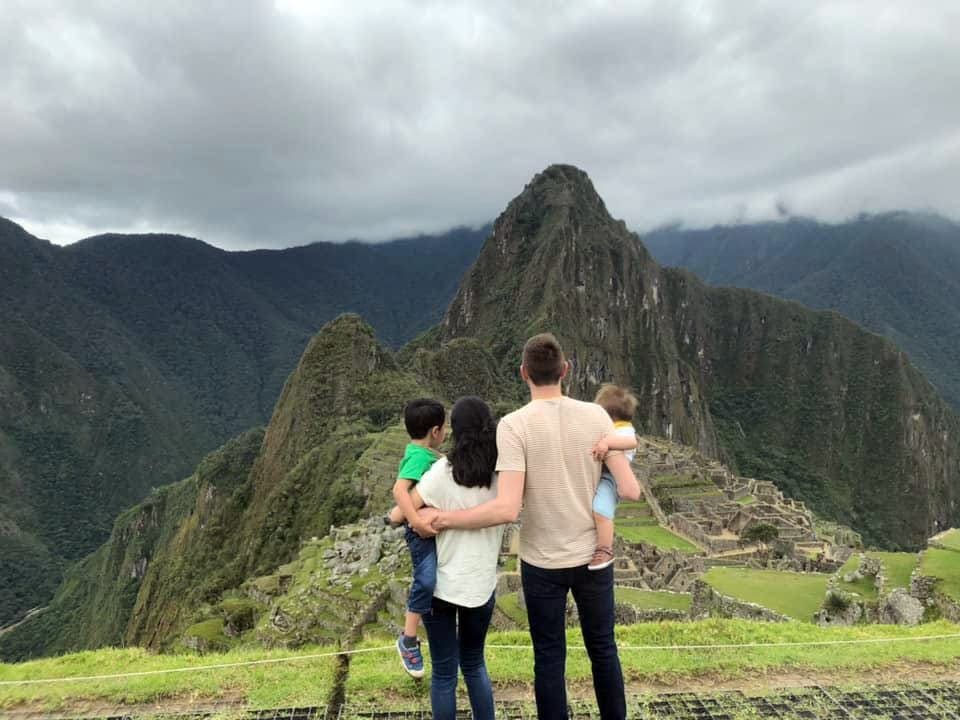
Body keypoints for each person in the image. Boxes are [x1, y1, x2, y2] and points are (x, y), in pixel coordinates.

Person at [422, 334, 641, 720]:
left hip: (542, 564)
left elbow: (506, 508)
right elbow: (628, 488)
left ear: (523, 373)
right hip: (594, 557)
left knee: (549, 656)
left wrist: (446, 519)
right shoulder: (595, 416)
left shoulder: (514, 426)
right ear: (566, 371)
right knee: (603, 649)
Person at [390, 396, 504, 720]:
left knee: (443, 674)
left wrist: (423, 515)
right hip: (481, 587)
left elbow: (399, 513)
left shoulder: (442, 473)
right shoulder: (502, 476)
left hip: (441, 588)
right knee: (474, 663)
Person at [391, 398, 446, 678]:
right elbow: (399, 491)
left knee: (436, 581)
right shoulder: (418, 457)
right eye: (445, 427)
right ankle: (408, 639)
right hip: (419, 534)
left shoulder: (427, 455)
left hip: (427, 530)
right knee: (425, 580)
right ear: (435, 431)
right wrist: (416, 522)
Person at [588, 385, 639, 570]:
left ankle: (604, 550)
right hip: (602, 474)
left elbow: (632, 442)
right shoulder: (614, 428)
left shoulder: (624, 430)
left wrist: (607, 443)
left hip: (612, 479)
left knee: (600, 510)